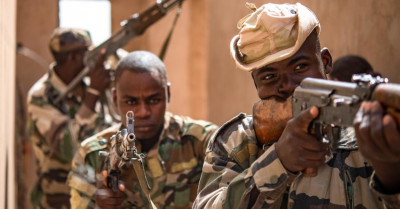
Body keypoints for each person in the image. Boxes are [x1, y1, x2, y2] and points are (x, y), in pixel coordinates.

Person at [193, 3, 400, 209]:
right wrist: (278, 162)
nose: (288, 86)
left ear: (325, 62)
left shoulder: (367, 131)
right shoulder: (237, 142)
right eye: (270, 76)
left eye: (300, 67)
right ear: (256, 84)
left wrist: (390, 175)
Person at [68, 50, 219, 208]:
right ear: (115, 99)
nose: (143, 112)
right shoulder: (91, 154)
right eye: (131, 102)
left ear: (167, 93)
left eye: (154, 100)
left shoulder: (200, 141)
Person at [27, 27, 113, 209]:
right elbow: (67, 147)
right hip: (58, 198)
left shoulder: (86, 86)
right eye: (87, 53)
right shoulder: (40, 96)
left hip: (92, 194)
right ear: (74, 57)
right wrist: (93, 95)